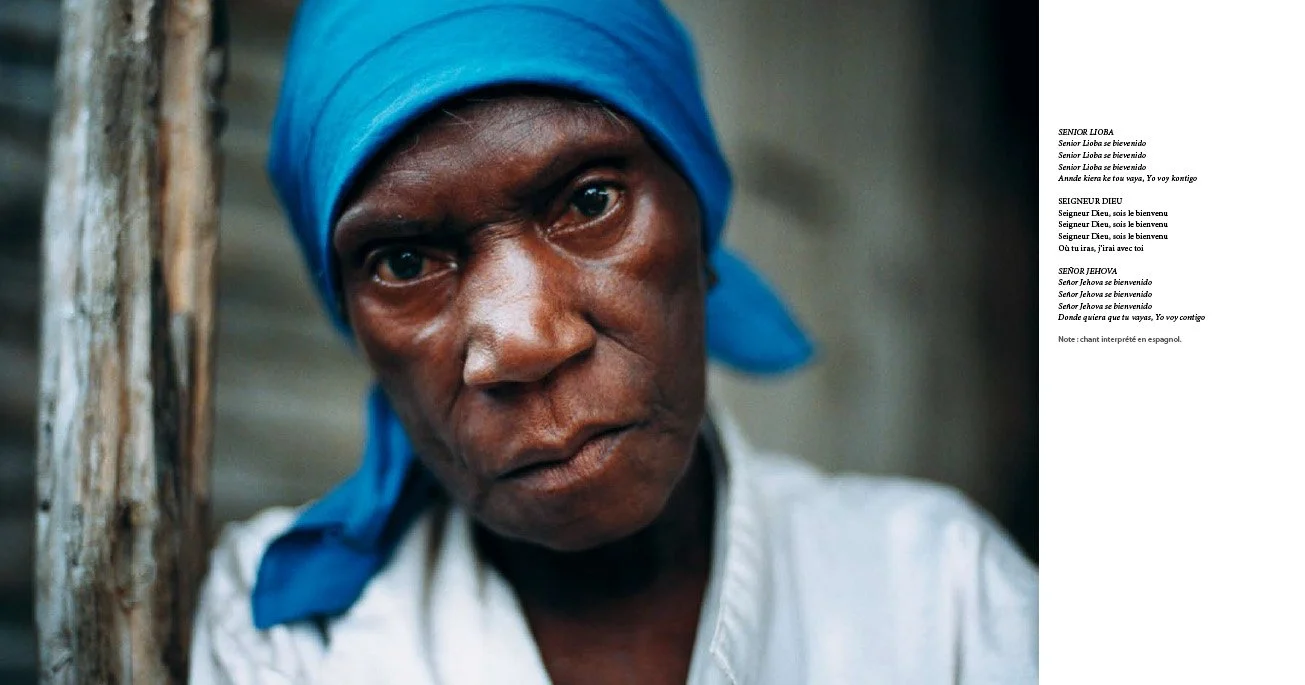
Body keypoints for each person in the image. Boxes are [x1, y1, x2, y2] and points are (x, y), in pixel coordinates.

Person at [190, 0, 1038, 682]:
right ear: (356, 325)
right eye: (405, 261)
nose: (523, 340)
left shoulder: (947, 595)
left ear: (700, 227)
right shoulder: (288, 640)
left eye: (590, 203)